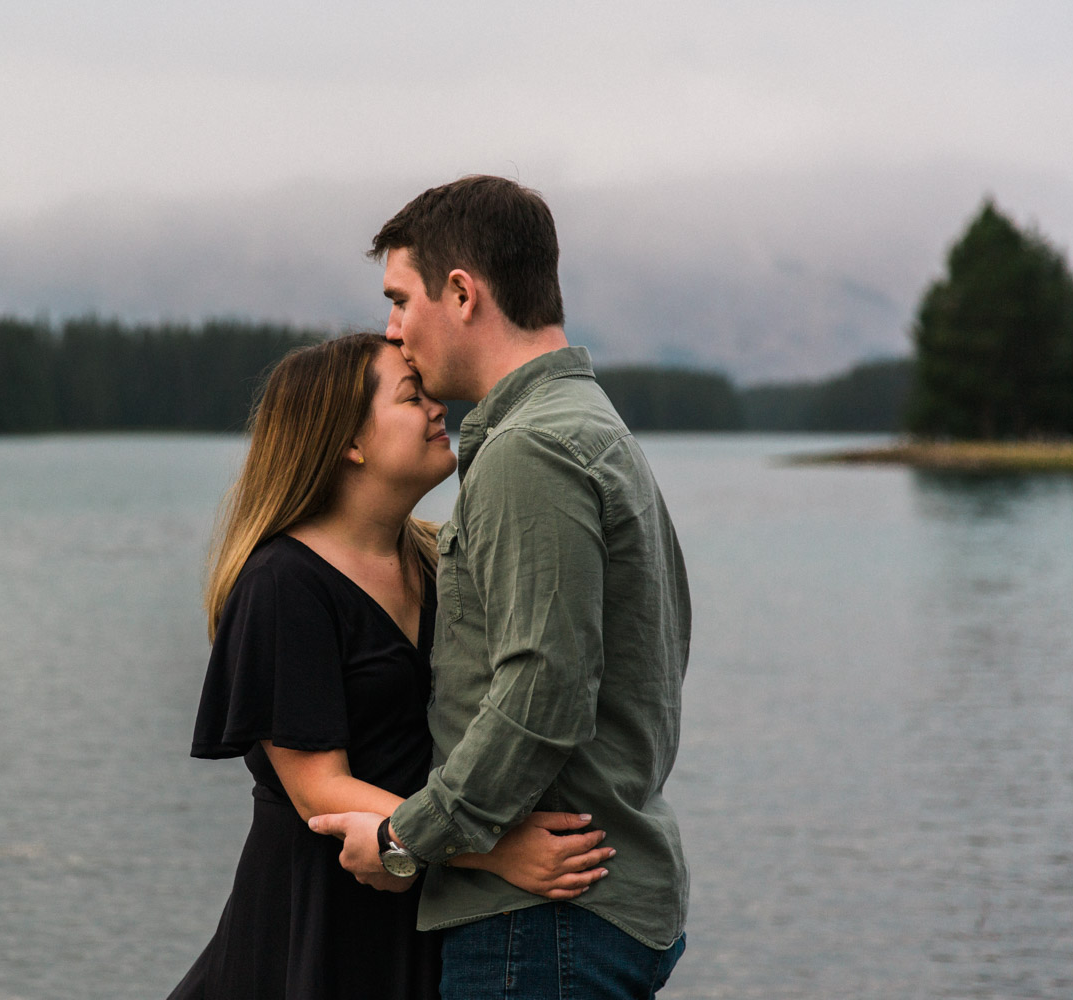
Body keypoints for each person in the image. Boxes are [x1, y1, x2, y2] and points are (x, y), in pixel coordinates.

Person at [309, 177, 692, 1000]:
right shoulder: (588, 426)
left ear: (461, 292)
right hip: (582, 913)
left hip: (541, 923)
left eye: (401, 299)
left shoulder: (531, 451)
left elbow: (543, 688)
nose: (392, 329)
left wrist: (408, 839)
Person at [168, 333, 616, 1000]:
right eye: (412, 396)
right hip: (323, 917)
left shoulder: (439, 560)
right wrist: (498, 851)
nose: (438, 407)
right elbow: (320, 791)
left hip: (428, 900)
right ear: (350, 441)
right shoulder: (282, 583)